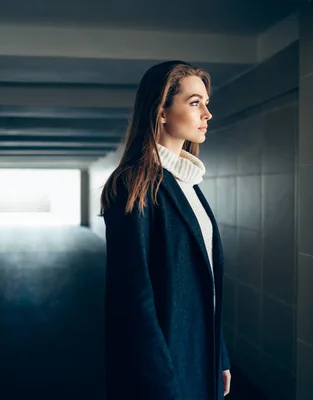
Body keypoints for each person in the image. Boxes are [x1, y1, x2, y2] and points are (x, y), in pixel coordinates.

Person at [99, 60, 231, 400]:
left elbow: (205, 283)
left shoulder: (187, 182)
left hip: (199, 354)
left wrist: (220, 355)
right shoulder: (134, 185)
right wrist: (158, 384)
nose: (207, 114)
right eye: (194, 102)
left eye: (206, 103)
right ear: (161, 111)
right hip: (165, 368)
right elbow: (132, 301)